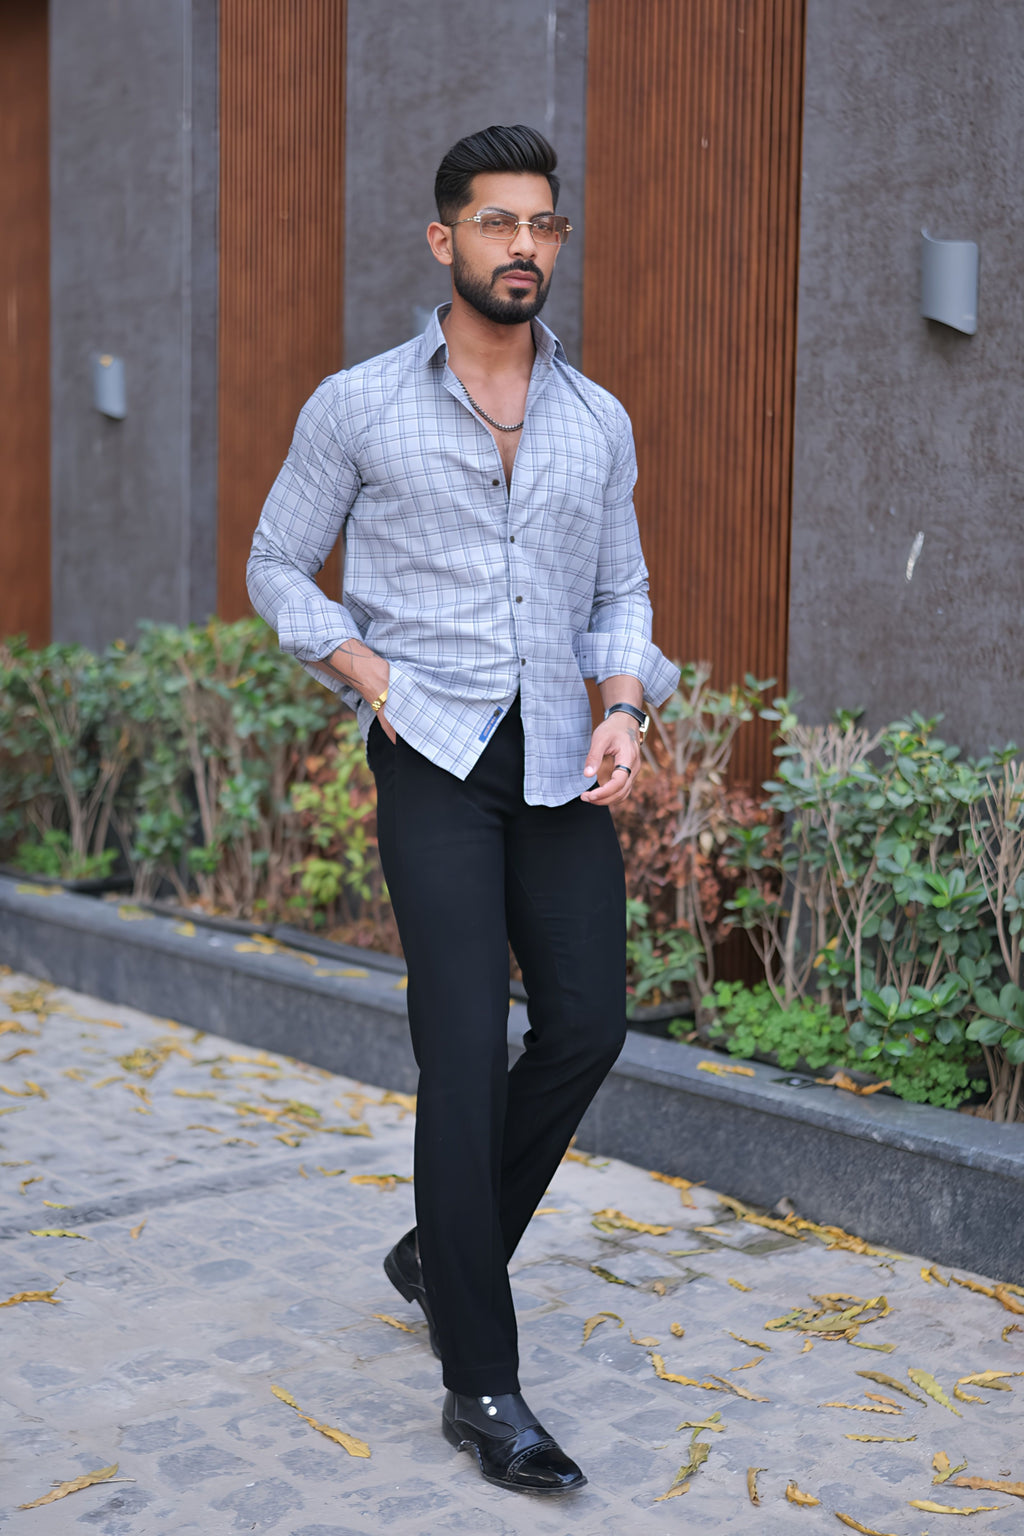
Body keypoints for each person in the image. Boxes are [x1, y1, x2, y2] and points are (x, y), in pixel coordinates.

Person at [247, 123, 679, 1495]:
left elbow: (624, 591)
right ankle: (482, 1384)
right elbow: (276, 564)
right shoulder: (360, 404)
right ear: (445, 240)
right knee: (461, 1044)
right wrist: (361, 667)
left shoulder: (594, 419)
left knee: (590, 1025)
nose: (525, 248)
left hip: (559, 749)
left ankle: (442, 1250)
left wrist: (625, 702)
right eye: (498, 225)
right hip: (428, 747)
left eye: (544, 225)